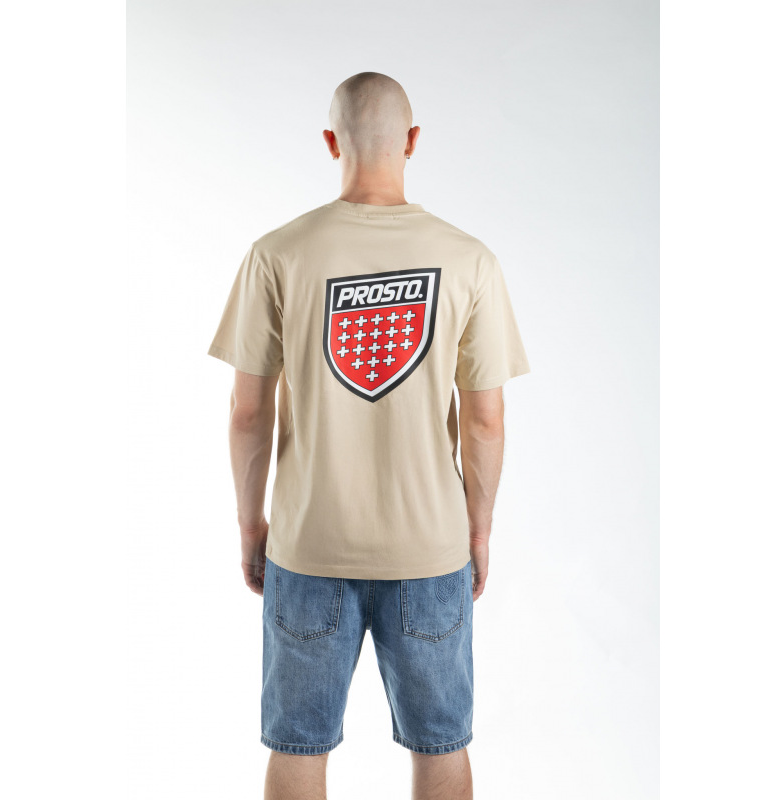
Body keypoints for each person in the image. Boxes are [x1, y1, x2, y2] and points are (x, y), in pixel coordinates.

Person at [207, 71, 531, 800]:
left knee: (298, 746)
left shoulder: (278, 253)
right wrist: (477, 531)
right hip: (429, 549)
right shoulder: (469, 259)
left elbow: (247, 412)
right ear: (412, 141)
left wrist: (251, 526)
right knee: (441, 745)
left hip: (307, 546)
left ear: (331, 142)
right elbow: (486, 417)